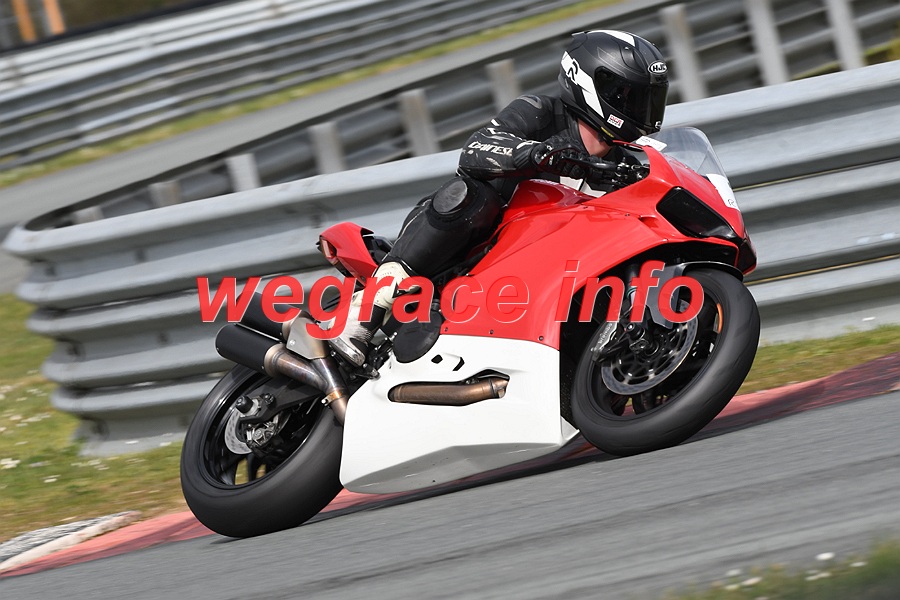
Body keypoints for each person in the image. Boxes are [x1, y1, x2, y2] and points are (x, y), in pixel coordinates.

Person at [330, 29, 670, 366]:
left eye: (648, 98)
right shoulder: (539, 113)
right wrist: (534, 154)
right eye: (628, 95)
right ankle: (364, 313)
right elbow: (476, 149)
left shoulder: (626, 166)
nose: (642, 109)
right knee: (471, 195)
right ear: (588, 82)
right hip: (474, 252)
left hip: (537, 281)